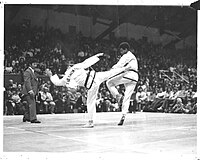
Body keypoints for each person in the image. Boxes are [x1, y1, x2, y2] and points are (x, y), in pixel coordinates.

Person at [46, 53, 131, 128]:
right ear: (68, 67)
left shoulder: (66, 78)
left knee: (90, 103)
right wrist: (96, 57)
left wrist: (50, 76)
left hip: (91, 85)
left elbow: (57, 82)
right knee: (110, 73)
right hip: (95, 76)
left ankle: (91, 122)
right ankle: (125, 69)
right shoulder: (75, 67)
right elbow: (86, 63)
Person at [106, 42, 139, 125]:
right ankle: (123, 116)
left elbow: (119, 65)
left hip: (129, 74)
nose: (120, 52)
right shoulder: (132, 56)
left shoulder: (127, 55)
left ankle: (117, 95)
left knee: (109, 82)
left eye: (121, 50)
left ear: (126, 49)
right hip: (134, 78)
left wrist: (109, 71)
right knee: (127, 98)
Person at [21, 58, 41, 123]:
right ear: (30, 64)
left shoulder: (32, 72)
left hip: (32, 91)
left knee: (29, 104)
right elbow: (27, 81)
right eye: (34, 64)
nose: (35, 65)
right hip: (29, 91)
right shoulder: (28, 71)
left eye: (36, 64)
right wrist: (30, 90)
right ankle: (33, 118)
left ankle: (26, 117)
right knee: (32, 104)